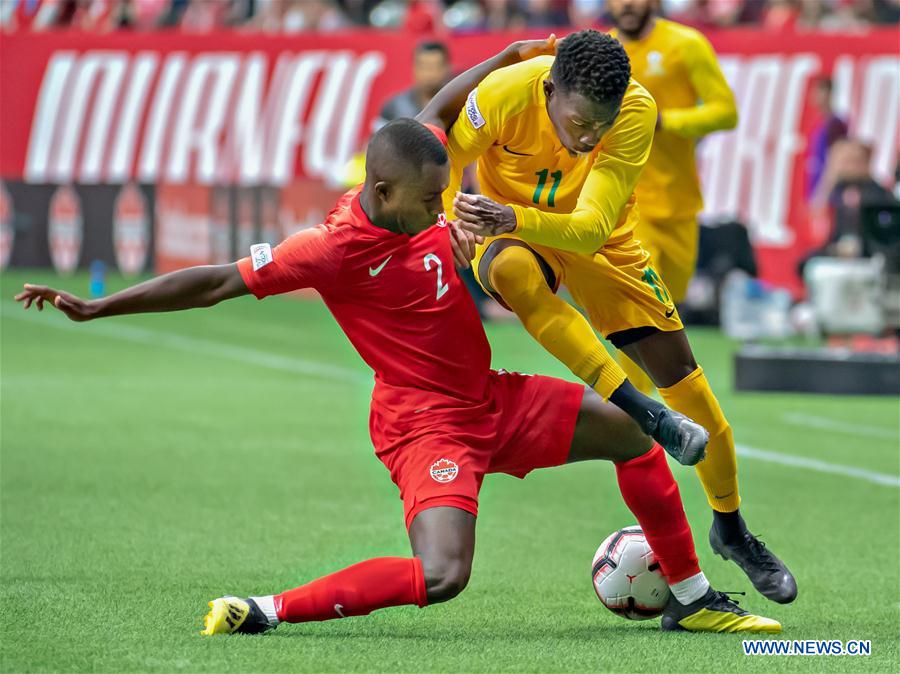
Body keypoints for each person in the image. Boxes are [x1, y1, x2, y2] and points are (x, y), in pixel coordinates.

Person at [15, 40, 779, 635]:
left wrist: (503, 61)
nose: (442, 211)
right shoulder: (332, 248)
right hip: (423, 421)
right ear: (382, 194)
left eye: (446, 193)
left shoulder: (419, 190)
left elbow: (438, 113)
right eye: (429, 201)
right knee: (444, 576)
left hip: (490, 399)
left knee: (635, 437)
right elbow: (214, 281)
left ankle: (691, 598)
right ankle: (267, 608)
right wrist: (98, 307)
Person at [446, 29, 797, 604]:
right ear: (550, 87)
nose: (588, 137)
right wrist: (449, 226)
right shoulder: (504, 92)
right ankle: (638, 410)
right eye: (579, 121)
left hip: (597, 242)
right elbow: (448, 156)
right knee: (513, 275)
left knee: (693, 395)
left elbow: (587, 230)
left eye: (598, 126)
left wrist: (508, 216)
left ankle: (732, 529)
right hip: (506, 236)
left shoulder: (633, 109)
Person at [608, 0, 738, 393]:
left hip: (680, 202)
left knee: (668, 307)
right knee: (640, 307)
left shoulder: (686, 44)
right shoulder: (603, 51)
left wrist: (667, 121)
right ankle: (631, 414)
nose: (626, 4)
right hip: (628, 202)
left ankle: (650, 407)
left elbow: (725, 112)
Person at [374, 41, 452, 129]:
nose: (429, 74)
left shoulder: (455, 106)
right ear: (414, 68)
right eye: (424, 67)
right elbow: (377, 140)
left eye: (436, 67)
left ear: (447, 68)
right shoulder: (394, 106)